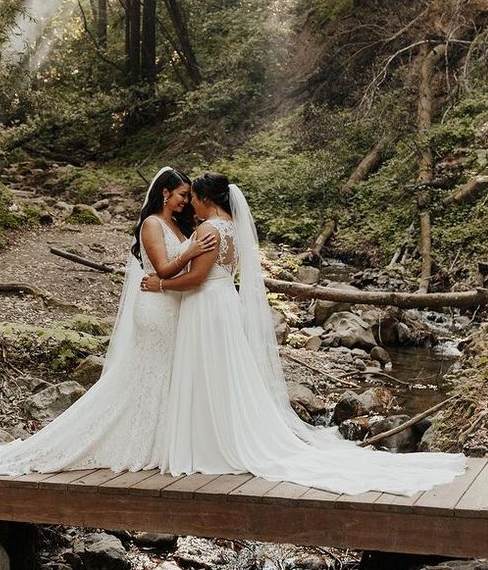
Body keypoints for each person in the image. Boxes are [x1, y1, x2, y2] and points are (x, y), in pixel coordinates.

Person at [140, 172, 466, 496]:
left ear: (206, 198)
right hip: (222, 303)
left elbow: (197, 278)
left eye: (194, 197)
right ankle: (217, 435)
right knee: (222, 373)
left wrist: (162, 283)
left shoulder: (210, 228)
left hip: (207, 305)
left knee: (207, 372)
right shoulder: (232, 228)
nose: (190, 204)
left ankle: (209, 443)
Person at [0, 166, 215, 477]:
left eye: (189, 196)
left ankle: (157, 442)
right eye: (182, 195)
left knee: (161, 376)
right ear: (165, 192)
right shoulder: (151, 224)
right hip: (155, 308)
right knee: (147, 374)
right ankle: (123, 440)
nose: (186, 201)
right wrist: (191, 251)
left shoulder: (174, 224)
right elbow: (162, 269)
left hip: (171, 306)